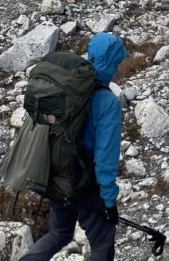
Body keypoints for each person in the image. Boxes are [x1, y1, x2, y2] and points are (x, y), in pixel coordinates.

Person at [20, 32, 127, 261]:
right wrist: (108, 201)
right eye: (117, 63)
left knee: (58, 233)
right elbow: (105, 160)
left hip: (55, 175)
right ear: (113, 63)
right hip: (85, 184)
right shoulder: (107, 102)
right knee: (102, 244)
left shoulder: (64, 87)